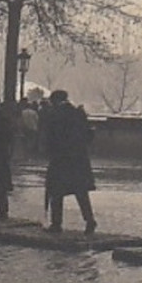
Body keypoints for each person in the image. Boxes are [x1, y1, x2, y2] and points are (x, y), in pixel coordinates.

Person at [39, 89, 97, 234]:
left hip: (61, 159)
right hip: (79, 159)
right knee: (81, 192)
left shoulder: (55, 115)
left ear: (55, 101)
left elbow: (52, 138)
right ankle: (90, 220)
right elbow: (89, 135)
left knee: (56, 192)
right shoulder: (78, 113)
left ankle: (56, 224)